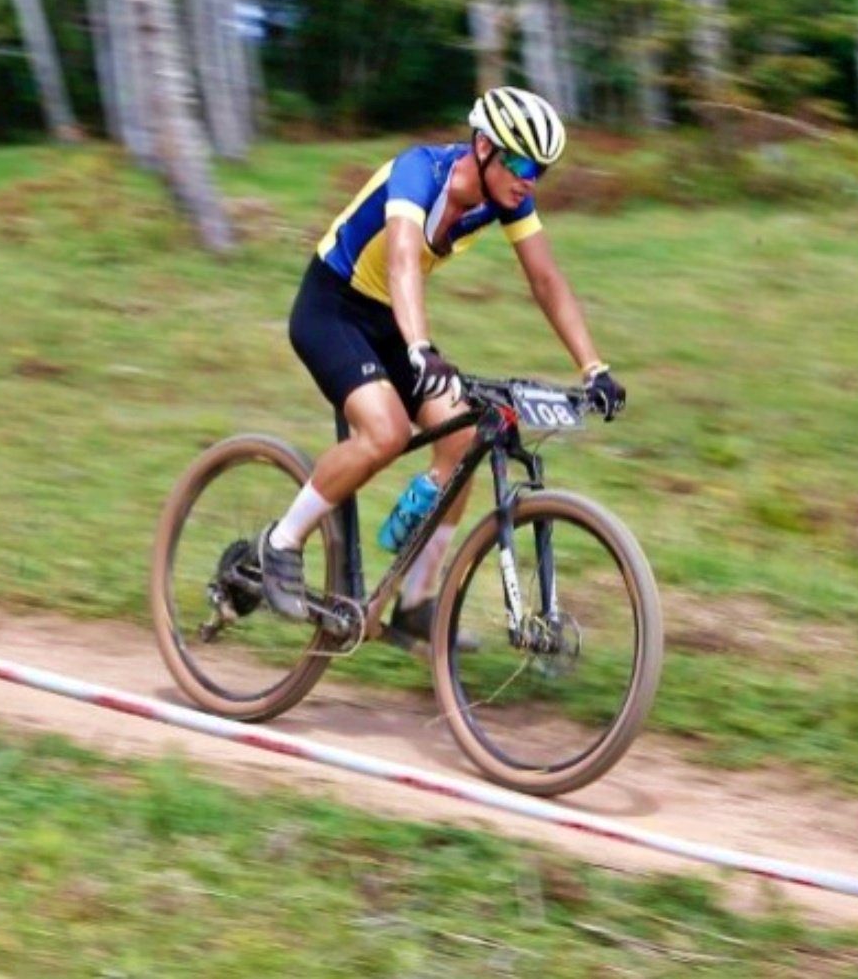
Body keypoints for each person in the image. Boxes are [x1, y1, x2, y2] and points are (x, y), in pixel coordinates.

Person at [259, 86, 626, 649]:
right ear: (483, 147)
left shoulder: (506, 199)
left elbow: (546, 281)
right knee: (384, 433)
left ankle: (415, 603)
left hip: (391, 321)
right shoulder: (419, 173)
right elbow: (404, 260)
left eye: (541, 171)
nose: (529, 180)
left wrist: (593, 367)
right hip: (332, 307)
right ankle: (280, 544)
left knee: (461, 442)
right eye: (522, 162)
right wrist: (421, 346)